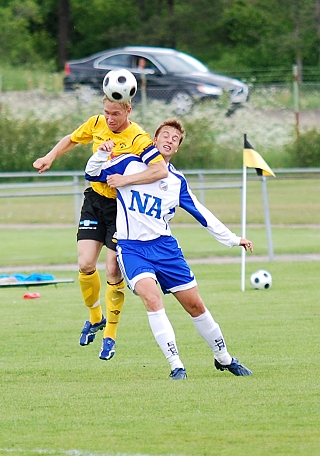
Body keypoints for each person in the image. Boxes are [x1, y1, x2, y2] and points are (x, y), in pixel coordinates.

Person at [84, 118, 253, 379]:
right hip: (132, 249)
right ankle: (176, 365)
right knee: (152, 299)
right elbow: (92, 173)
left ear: (176, 148)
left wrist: (232, 238)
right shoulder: (128, 163)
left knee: (195, 305)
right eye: (165, 135)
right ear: (154, 140)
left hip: (165, 249)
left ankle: (224, 358)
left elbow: (201, 213)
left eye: (175, 139)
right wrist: (101, 154)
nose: (169, 140)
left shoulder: (176, 181)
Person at [33, 96, 167, 360]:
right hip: (94, 201)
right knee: (85, 264)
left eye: (115, 114)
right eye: (107, 112)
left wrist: (126, 180)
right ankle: (96, 317)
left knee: (114, 270)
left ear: (128, 110)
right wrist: (50, 157)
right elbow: (72, 139)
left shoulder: (138, 138)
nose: (109, 118)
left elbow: (159, 169)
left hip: (122, 208)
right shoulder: (96, 123)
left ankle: (110, 335)